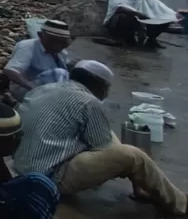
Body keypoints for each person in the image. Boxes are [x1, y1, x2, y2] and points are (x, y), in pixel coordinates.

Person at [14, 60, 188, 216]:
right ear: (100, 86)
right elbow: (104, 147)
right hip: (49, 179)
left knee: (107, 136)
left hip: (21, 168)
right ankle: (181, 204)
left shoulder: (43, 89)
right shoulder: (89, 101)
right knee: (133, 156)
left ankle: (142, 184)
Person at [3, 20, 71, 102]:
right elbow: (10, 71)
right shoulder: (28, 46)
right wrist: (33, 87)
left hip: (49, 88)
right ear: (40, 35)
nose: (58, 45)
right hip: (26, 88)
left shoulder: (61, 52)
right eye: (54, 41)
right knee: (59, 73)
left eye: (62, 42)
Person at [104, 0, 179, 48]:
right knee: (125, 17)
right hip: (116, 21)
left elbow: (160, 7)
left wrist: (173, 15)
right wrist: (138, 14)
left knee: (164, 18)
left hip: (140, 19)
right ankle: (123, 38)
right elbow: (120, 7)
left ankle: (151, 40)